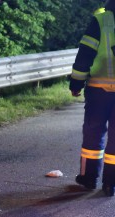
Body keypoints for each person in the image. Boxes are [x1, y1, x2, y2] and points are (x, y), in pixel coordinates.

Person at [70, 0, 115, 196]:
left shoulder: (101, 20)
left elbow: (85, 54)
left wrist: (76, 83)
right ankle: (110, 184)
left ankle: (89, 179)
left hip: (98, 91)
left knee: (93, 134)